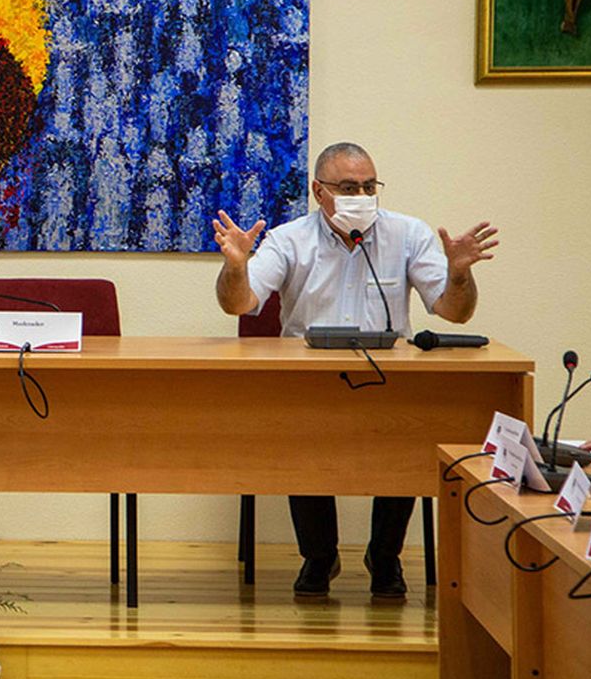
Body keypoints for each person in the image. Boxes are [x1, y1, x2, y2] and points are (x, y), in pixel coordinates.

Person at [212, 142, 499, 600]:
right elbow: (239, 304)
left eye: (369, 186)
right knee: (300, 436)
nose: (361, 196)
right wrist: (236, 267)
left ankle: (384, 557)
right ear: (318, 192)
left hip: (391, 380)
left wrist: (459, 273)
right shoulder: (289, 239)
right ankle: (319, 557)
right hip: (305, 381)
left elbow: (454, 312)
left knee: (410, 434)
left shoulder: (408, 234)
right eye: (348, 187)